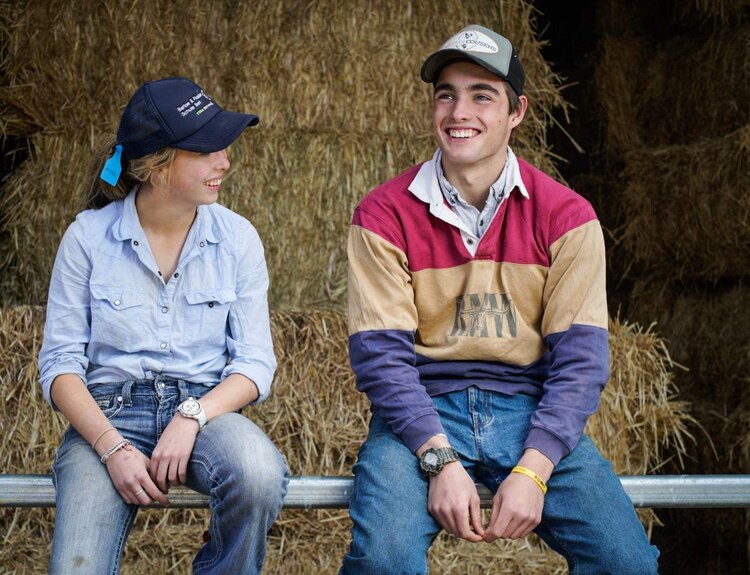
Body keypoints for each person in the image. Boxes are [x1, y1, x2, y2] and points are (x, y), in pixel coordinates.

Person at [340, 24, 659, 574]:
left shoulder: (567, 216)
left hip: (529, 411)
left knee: (626, 562)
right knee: (383, 560)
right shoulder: (383, 214)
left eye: (481, 95)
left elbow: (581, 362)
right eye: (446, 94)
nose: (459, 111)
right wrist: (439, 459)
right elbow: (381, 359)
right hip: (421, 416)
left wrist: (534, 470)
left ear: (517, 112)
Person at [38, 77, 288, 575]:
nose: (225, 161)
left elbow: (255, 364)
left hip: (204, 412)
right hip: (107, 417)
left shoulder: (238, 238)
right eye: (206, 150)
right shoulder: (86, 237)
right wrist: (110, 447)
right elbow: (59, 367)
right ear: (156, 165)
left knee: (259, 473)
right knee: (75, 567)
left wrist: (193, 414)